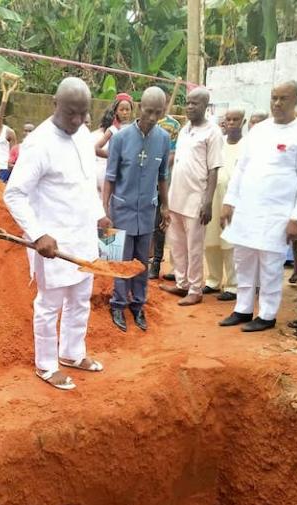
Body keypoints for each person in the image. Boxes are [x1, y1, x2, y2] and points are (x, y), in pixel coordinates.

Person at [4, 77, 110, 391]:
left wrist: (99, 214)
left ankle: (72, 353)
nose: (77, 121)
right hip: (53, 243)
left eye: (83, 114)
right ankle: (47, 366)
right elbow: (14, 194)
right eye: (70, 114)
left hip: (83, 237)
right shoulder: (38, 143)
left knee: (81, 300)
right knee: (49, 306)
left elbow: (84, 182)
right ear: (55, 104)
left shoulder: (81, 136)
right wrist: (38, 234)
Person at [219, 81, 297, 332]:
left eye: (283, 98)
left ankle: (267, 314)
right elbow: (241, 168)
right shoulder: (259, 130)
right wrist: (229, 201)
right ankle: (242, 309)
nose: (277, 103)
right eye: (274, 98)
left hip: (277, 213)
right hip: (247, 209)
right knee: (242, 259)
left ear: (296, 100)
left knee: (270, 264)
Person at [103, 87, 170, 332]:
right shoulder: (120, 138)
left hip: (147, 212)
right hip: (121, 210)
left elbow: (163, 176)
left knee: (142, 262)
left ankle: (138, 305)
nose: (152, 117)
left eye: (158, 113)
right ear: (140, 107)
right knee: (119, 261)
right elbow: (109, 177)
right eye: (149, 111)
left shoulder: (163, 138)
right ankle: (118, 304)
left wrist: (165, 206)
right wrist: (105, 211)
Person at [160, 87, 224, 306]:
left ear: (206, 106)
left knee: (194, 247)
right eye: (187, 102)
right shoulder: (185, 129)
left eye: (194, 103)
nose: (189, 106)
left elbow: (214, 169)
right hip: (176, 196)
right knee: (177, 244)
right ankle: (182, 283)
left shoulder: (212, 132)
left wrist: (207, 201)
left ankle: (195, 289)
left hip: (196, 200)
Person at [203, 109, 246, 301]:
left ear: (243, 122)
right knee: (211, 241)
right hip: (213, 198)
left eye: (235, 120)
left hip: (234, 201)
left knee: (229, 243)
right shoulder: (218, 143)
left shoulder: (247, 145)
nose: (231, 123)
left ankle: (233, 285)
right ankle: (213, 280)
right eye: (228, 119)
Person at [149, 90, 181, 279]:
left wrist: (158, 170)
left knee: (159, 222)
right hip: (143, 183)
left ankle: (156, 264)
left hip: (162, 181)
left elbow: (172, 153)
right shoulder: (146, 124)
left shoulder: (173, 126)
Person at [95, 93, 134, 159]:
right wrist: (114, 156)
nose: (124, 113)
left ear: (131, 111)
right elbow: (96, 148)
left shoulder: (135, 129)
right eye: (121, 110)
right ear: (116, 111)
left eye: (127, 110)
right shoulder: (112, 130)